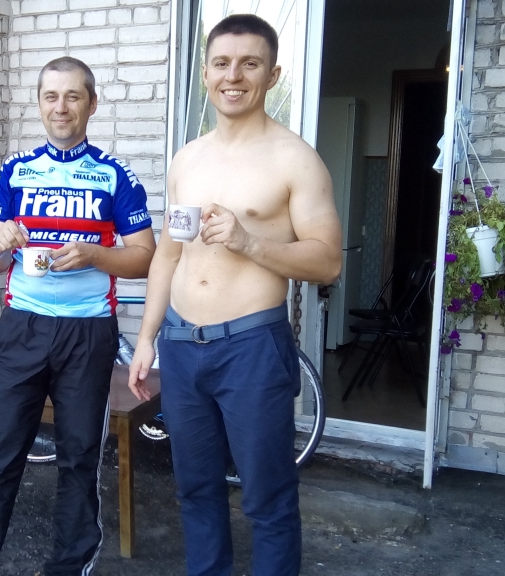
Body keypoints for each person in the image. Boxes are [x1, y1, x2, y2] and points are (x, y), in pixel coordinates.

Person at [127, 14, 342, 576]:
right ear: (205, 73)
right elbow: (167, 256)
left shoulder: (295, 159)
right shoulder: (187, 159)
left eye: (250, 64)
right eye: (222, 63)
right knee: (195, 489)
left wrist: (249, 242)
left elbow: (327, 261)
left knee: (267, 497)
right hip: (181, 343)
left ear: (273, 74)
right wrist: (147, 337)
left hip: (250, 347)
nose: (234, 76)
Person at [0, 57, 156, 576]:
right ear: (39, 104)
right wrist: (2, 239)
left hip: (88, 332)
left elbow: (145, 256)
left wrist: (96, 254)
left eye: (73, 96)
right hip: (24, 327)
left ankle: (69, 567)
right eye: (51, 96)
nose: (61, 107)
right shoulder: (16, 170)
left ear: (92, 104)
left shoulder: (115, 174)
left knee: (79, 459)